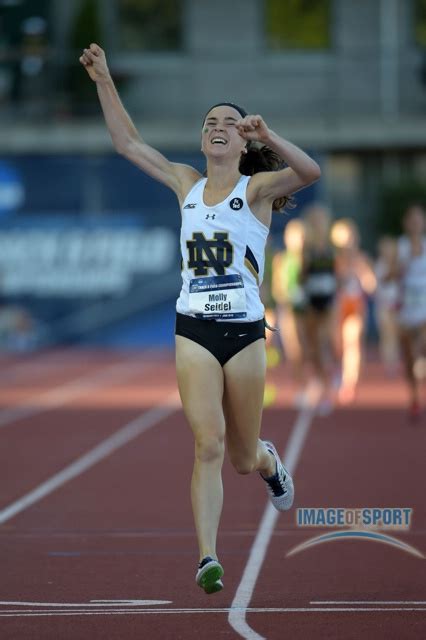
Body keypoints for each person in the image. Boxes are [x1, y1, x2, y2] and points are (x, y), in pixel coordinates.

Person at [80, 43, 321, 594]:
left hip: (243, 334)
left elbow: (309, 171)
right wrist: (103, 79)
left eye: (229, 123)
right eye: (210, 121)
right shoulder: (185, 182)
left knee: (240, 456)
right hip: (193, 329)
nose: (218, 126)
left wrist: (271, 136)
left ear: (242, 140)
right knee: (207, 444)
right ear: (202, 138)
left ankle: (268, 462)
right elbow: (127, 143)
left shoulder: (257, 191)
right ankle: (207, 558)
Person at [331, 218, 376, 405]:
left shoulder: (361, 259)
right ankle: (338, 370)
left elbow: (371, 285)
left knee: (353, 340)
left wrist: (362, 272)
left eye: (350, 238)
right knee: (338, 345)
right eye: (343, 239)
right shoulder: (333, 261)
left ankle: (350, 383)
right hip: (337, 308)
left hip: (356, 306)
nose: (347, 243)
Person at [300, 204, 337, 414]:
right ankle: (318, 382)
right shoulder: (307, 247)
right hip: (312, 300)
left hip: (329, 301)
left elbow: (338, 273)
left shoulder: (332, 247)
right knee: (312, 348)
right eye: (315, 221)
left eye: (321, 221)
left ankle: (327, 390)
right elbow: (302, 275)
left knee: (324, 345)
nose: (318, 225)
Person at [271, 218, 307, 404]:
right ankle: (301, 385)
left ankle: (314, 380)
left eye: (301, 237)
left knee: (310, 348)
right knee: (294, 350)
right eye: (294, 237)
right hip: (289, 310)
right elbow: (278, 287)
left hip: (309, 311)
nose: (298, 241)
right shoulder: (281, 260)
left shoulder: (309, 258)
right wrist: (287, 297)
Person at [397, 204, 426, 421]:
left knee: (421, 349)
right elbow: (389, 275)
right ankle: (415, 397)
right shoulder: (400, 246)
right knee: (409, 358)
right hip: (407, 309)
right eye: (412, 220)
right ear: (407, 224)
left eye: (419, 219)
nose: (416, 224)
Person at [374, 236, 400, 377]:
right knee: (387, 336)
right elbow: (383, 281)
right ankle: (390, 362)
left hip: (398, 306)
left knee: (398, 335)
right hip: (384, 306)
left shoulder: (399, 263)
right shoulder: (380, 265)